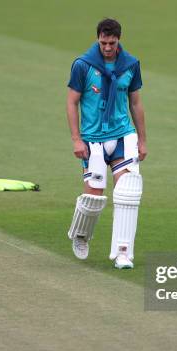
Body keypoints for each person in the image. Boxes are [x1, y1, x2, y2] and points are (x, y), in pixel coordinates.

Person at [66, 18, 147, 269]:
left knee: (127, 192)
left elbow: (135, 103)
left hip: (123, 135)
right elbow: (72, 102)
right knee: (94, 198)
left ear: (119, 39)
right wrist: (76, 139)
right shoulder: (82, 65)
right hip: (93, 139)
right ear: (97, 39)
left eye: (112, 43)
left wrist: (143, 139)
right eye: (103, 43)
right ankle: (80, 234)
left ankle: (123, 252)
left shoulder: (131, 65)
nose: (108, 48)